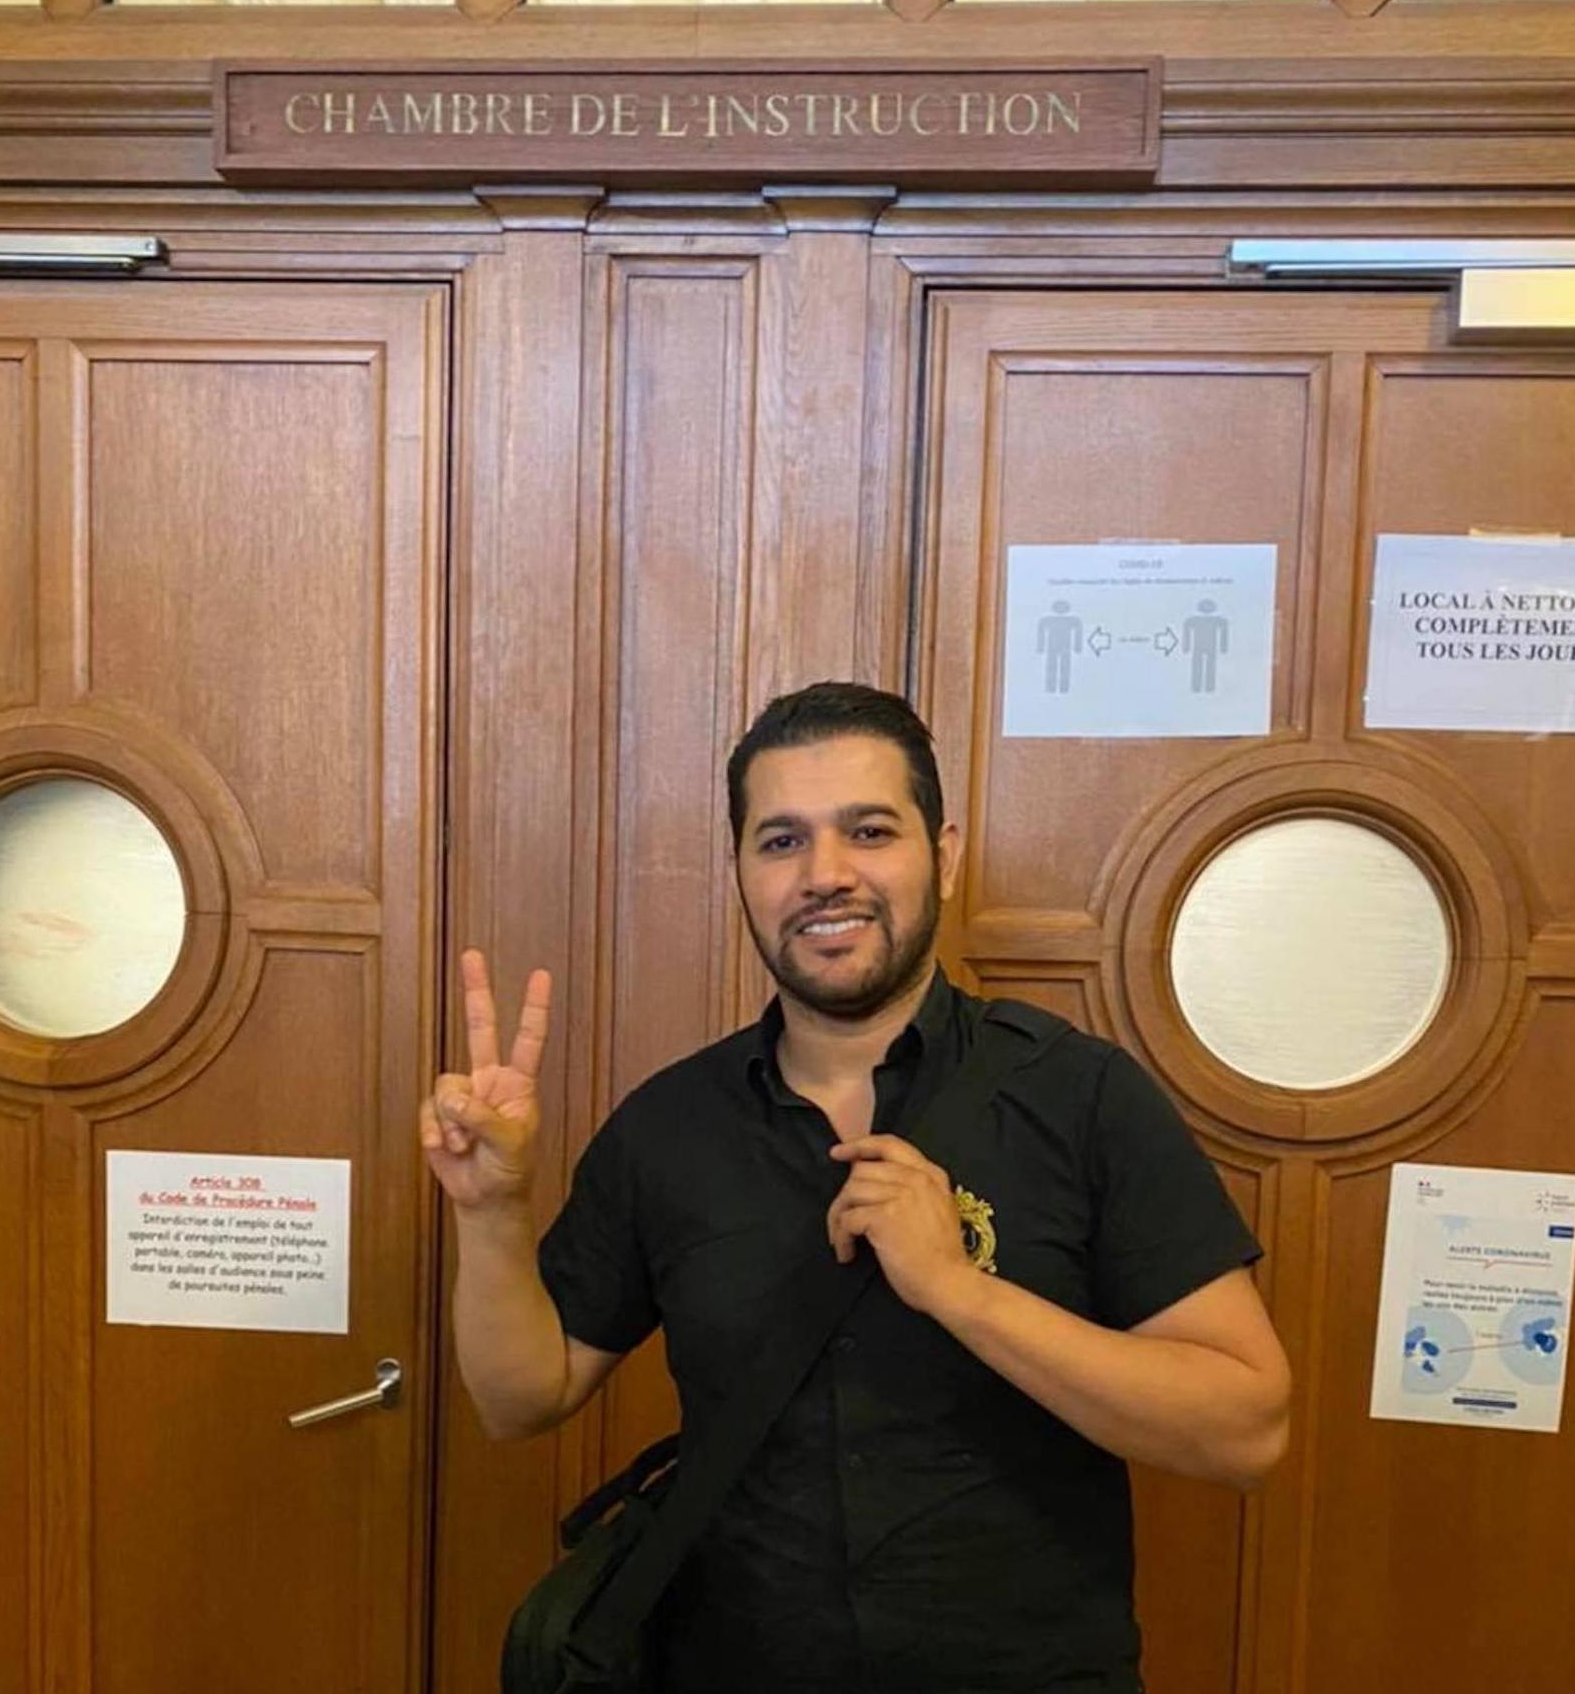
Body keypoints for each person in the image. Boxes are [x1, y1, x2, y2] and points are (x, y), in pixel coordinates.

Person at [420, 681, 1290, 1694]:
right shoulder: (669, 1127)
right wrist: (490, 1210)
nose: (825, 874)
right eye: (780, 840)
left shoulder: (1078, 1096)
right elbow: (521, 1396)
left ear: (945, 854)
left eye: (869, 830)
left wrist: (962, 1290)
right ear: (741, 871)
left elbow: (1248, 1427)